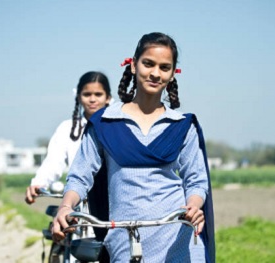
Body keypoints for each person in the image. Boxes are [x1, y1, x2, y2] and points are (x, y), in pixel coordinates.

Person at [51, 32, 215, 263]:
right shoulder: (104, 122)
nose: (155, 73)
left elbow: (196, 180)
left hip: (177, 236)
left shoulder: (183, 125)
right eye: (148, 64)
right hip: (124, 238)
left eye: (164, 67)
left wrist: (194, 206)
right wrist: (66, 206)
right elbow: (80, 176)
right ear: (133, 65)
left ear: (172, 74)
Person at [25, 71, 111, 204]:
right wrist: (39, 183)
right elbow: (53, 161)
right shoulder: (67, 128)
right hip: (77, 201)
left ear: (108, 98)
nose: (92, 99)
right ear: (78, 97)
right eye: (87, 94)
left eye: (98, 94)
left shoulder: (118, 126)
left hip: (113, 201)